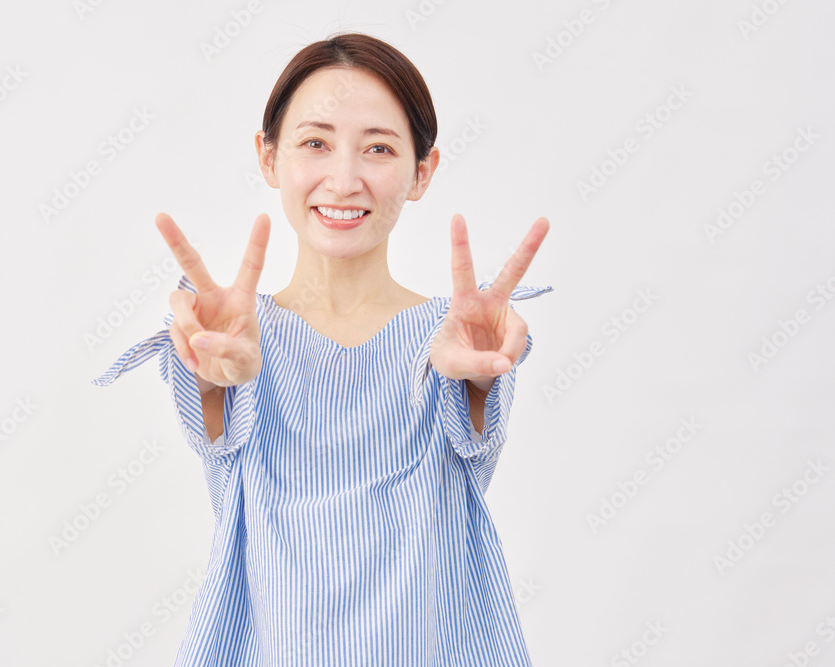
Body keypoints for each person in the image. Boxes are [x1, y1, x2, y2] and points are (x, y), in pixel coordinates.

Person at [93, 31, 553, 667]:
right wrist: (210, 375)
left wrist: (479, 379)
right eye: (315, 143)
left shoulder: (454, 339)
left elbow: (476, 416)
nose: (343, 180)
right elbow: (213, 415)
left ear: (422, 172)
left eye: (378, 148)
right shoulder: (231, 336)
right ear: (268, 157)